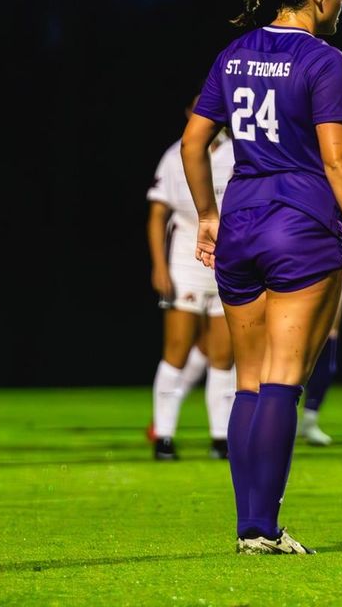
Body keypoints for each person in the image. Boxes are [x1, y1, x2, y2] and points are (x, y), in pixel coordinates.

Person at [181, 0, 342, 555]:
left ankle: (251, 528)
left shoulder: (234, 53)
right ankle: (263, 530)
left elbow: (193, 144)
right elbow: (338, 157)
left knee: (250, 382)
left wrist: (208, 216)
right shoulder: (326, 60)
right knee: (284, 381)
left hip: (240, 221)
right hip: (299, 223)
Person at [147, 109, 237, 460]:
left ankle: (220, 438)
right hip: (186, 258)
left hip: (228, 260)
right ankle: (164, 436)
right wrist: (159, 265)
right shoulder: (176, 154)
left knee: (223, 355)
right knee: (178, 347)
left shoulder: (239, 151)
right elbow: (158, 214)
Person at [297, 291, 342, 446]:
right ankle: (280, 416)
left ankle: (310, 419)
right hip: (283, 271)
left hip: (326, 269)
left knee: (329, 333)